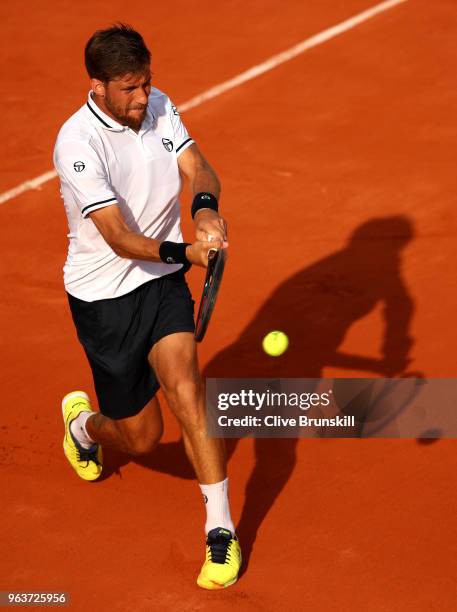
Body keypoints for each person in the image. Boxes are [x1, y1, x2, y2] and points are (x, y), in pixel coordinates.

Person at [53, 23, 241, 590]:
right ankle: (85, 427)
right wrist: (189, 250)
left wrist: (205, 209)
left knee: (188, 389)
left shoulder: (159, 106)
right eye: (130, 88)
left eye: (146, 83)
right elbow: (115, 236)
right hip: (103, 299)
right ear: (99, 86)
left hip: (160, 284)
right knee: (140, 436)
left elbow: (197, 167)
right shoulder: (76, 144)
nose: (143, 98)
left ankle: (220, 532)